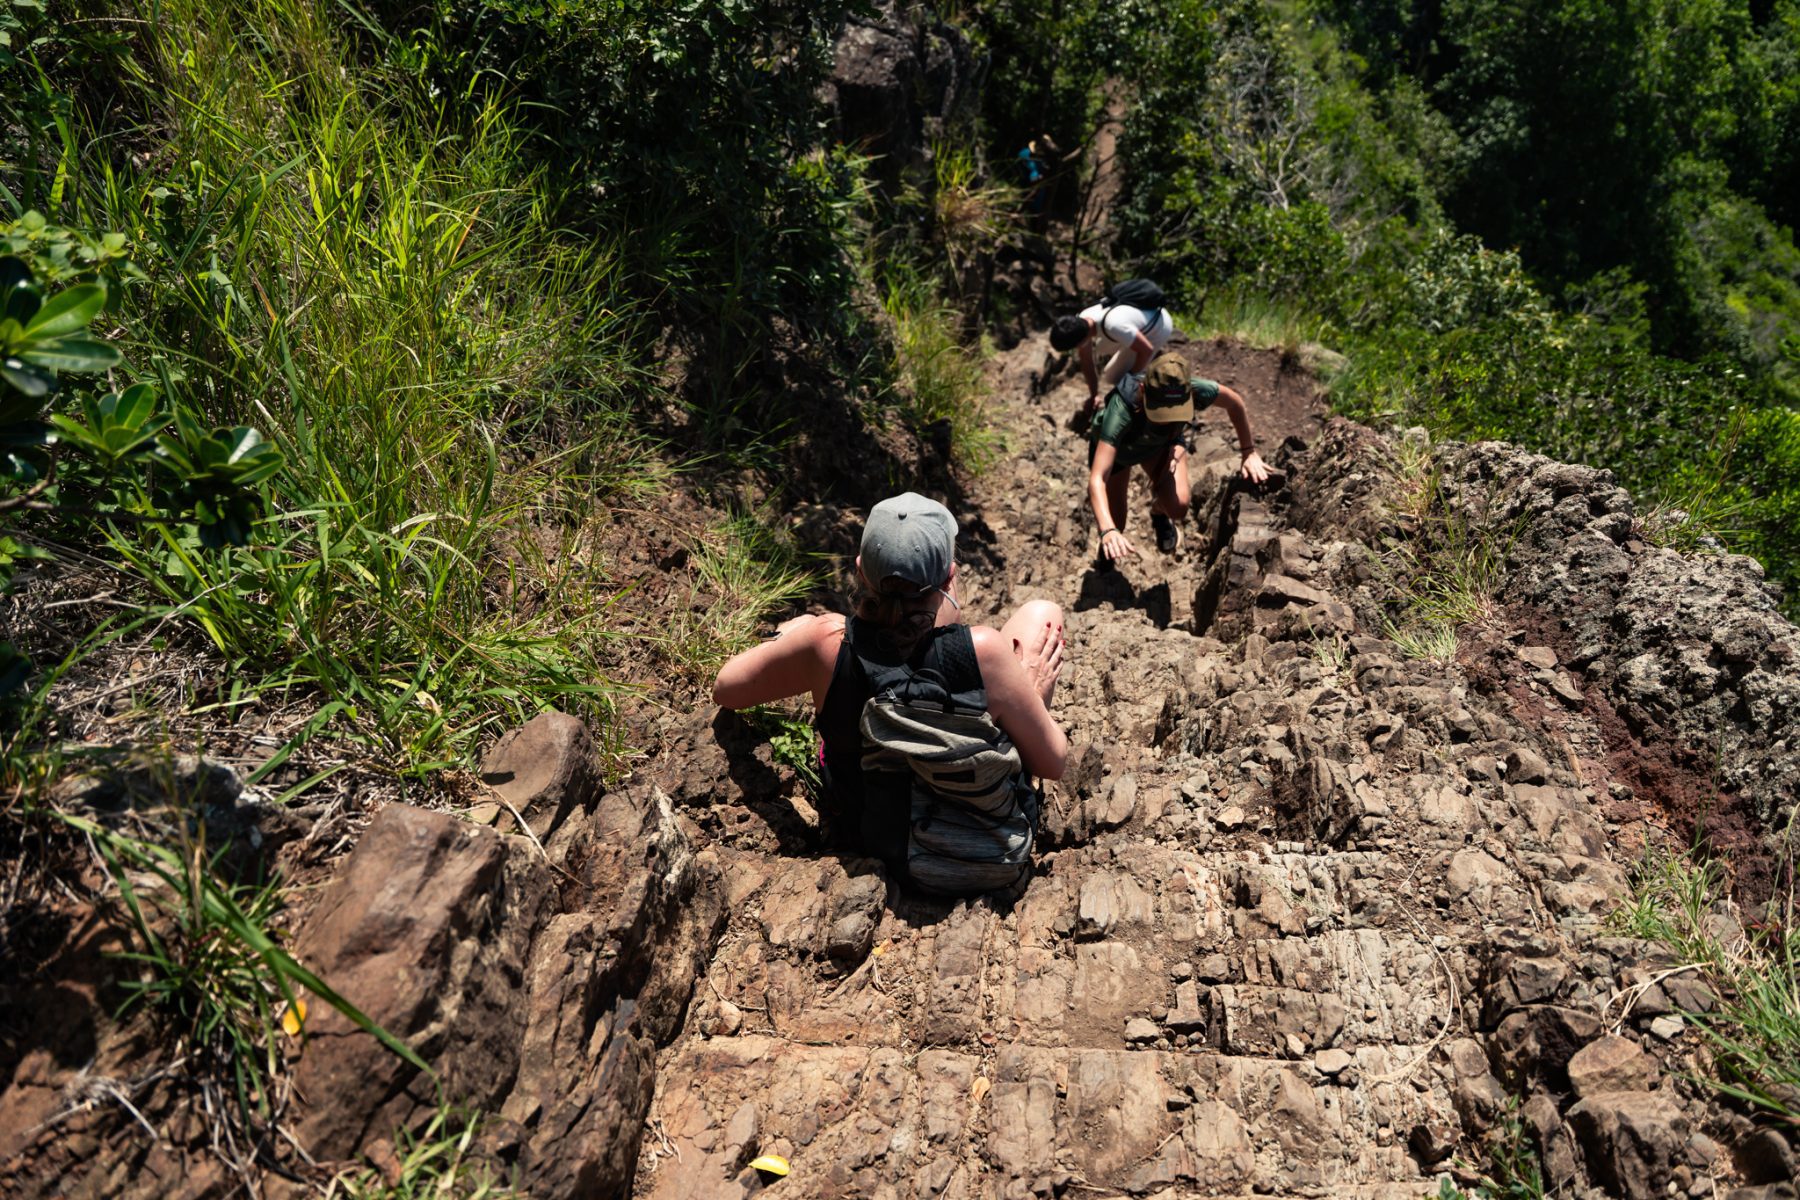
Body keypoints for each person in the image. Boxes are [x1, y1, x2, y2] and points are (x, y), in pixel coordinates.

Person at [712, 493, 1068, 881]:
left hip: (868, 846)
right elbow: (1052, 763)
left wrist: (793, 631)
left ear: (860, 570)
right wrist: (1028, 689)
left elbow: (726, 687)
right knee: (1042, 613)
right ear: (950, 577)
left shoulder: (827, 642)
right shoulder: (984, 651)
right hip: (988, 856)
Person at [1088, 353, 1271, 563]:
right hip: (1120, 452)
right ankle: (1107, 552)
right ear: (1143, 390)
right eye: (1159, 412)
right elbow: (1097, 478)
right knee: (1116, 522)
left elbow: (1234, 403)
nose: (1165, 420)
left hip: (1162, 445)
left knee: (1178, 507)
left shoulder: (1195, 389)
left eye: (1173, 413)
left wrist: (1248, 452)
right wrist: (1108, 529)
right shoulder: (1121, 409)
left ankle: (1158, 513)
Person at [1050, 289, 1176, 415]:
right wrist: (1094, 395)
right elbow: (1087, 363)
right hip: (1140, 320)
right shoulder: (1082, 321)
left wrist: (1128, 380)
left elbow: (1147, 350)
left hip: (1158, 327)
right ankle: (1133, 353)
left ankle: (1154, 389)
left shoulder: (1114, 326)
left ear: (1079, 342)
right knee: (1101, 348)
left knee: (1113, 376)